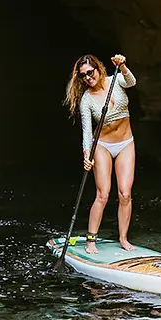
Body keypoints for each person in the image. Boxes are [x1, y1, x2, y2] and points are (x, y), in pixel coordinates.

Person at [63, 53, 138, 254]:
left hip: (125, 143)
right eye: (83, 76)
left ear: (98, 68)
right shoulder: (86, 100)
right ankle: (90, 241)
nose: (88, 77)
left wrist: (122, 66)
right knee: (103, 194)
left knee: (125, 193)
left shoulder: (115, 80)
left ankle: (123, 238)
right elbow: (87, 132)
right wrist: (87, 154)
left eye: (90, 72)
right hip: (102, 145)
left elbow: (131, 82)